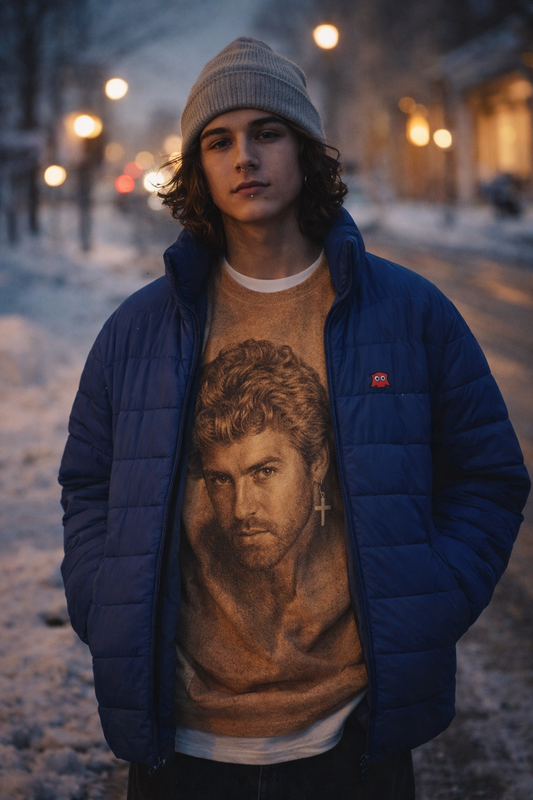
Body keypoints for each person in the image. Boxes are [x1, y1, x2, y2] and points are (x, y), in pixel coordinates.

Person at [58, 37, 530, 800]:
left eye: (266, 132)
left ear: (305, 150)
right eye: (219, 140)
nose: (244, 156)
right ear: (199, 168)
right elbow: (88, 486)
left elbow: (487, 475)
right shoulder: (138, 331)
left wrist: (429, 597)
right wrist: (105, 602)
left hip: (349, 741)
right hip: (182, 746)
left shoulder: (408, 313)